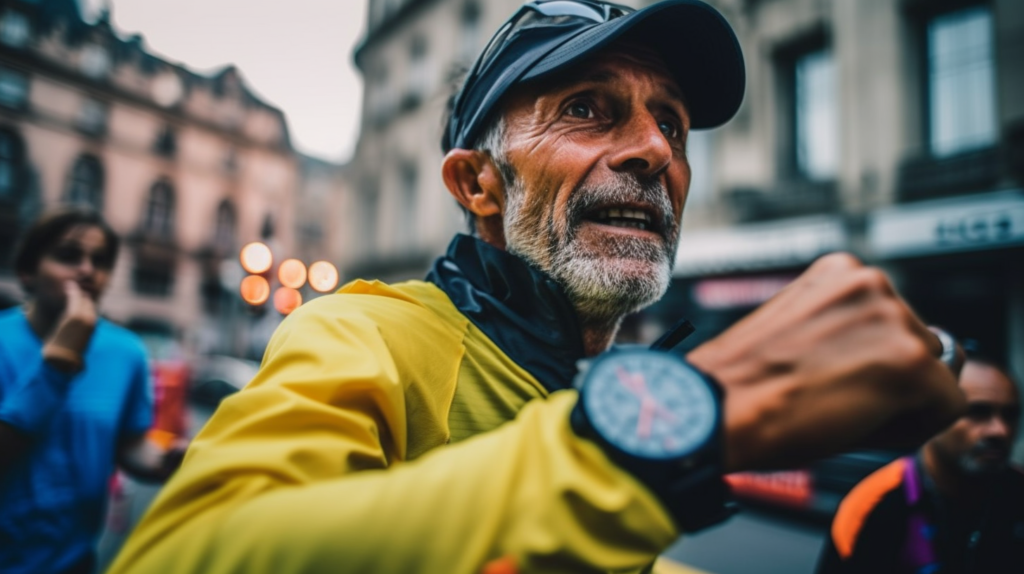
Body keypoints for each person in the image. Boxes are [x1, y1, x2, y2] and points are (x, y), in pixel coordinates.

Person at [109, 2, 965, 573]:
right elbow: (175, 554)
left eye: (671, 122)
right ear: (478, 184)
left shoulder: (589, 379)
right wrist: (674, 420)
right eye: (589, 109)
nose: (656, 151)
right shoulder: (366, 334)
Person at [0, 208, 184, 574]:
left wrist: (166, 461)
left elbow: (129, 442)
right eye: (68, 256)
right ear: (28, 271)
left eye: (100, 262)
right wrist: (58, 364)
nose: (86, 271)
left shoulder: (126, 351)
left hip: (77, 560)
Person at [817, 352, 1024, 574]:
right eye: (978, 412)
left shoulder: (1017, 492)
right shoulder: (872, 506)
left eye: (1010, 415)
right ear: (932, 416)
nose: (1000, 430)